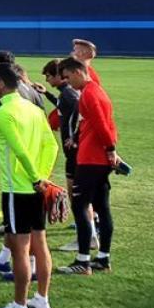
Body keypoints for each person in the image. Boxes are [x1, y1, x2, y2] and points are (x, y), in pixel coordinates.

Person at [0, 63, 58, 308]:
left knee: (20, 249)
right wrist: (44, 176)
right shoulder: (33, 109)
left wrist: (34, 177)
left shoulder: (4, 112)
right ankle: (42, 300)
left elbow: (18, 149)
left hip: (17, 188)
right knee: (40, 244)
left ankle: (19, 307)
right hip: (37, 187)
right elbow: (50, 145)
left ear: (1, 84)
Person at [58, 57, 119, 275]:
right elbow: (106, 125)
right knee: (102, 207)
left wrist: (110, 148)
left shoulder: (91, 94)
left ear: (77, 72)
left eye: (67, 77)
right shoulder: (96, 91)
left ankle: (82, 261)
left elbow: (103, 125)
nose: (66, 82)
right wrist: (111, 150)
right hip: (99, 159)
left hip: (91, 160)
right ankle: (103, 258)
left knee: (80, 206)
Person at [40, 60, 95, 255]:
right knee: (78, 197)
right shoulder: (66, 94)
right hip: (73, 152)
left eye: (48, 76)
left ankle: (89, 238)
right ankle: (91, 234)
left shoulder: (70, 94)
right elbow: (64, 107)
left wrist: (74, 138)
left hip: (75, 153)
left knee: (77, 197)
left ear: (59, 75)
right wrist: (46, 94)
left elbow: (82, 115)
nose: (47, 80)